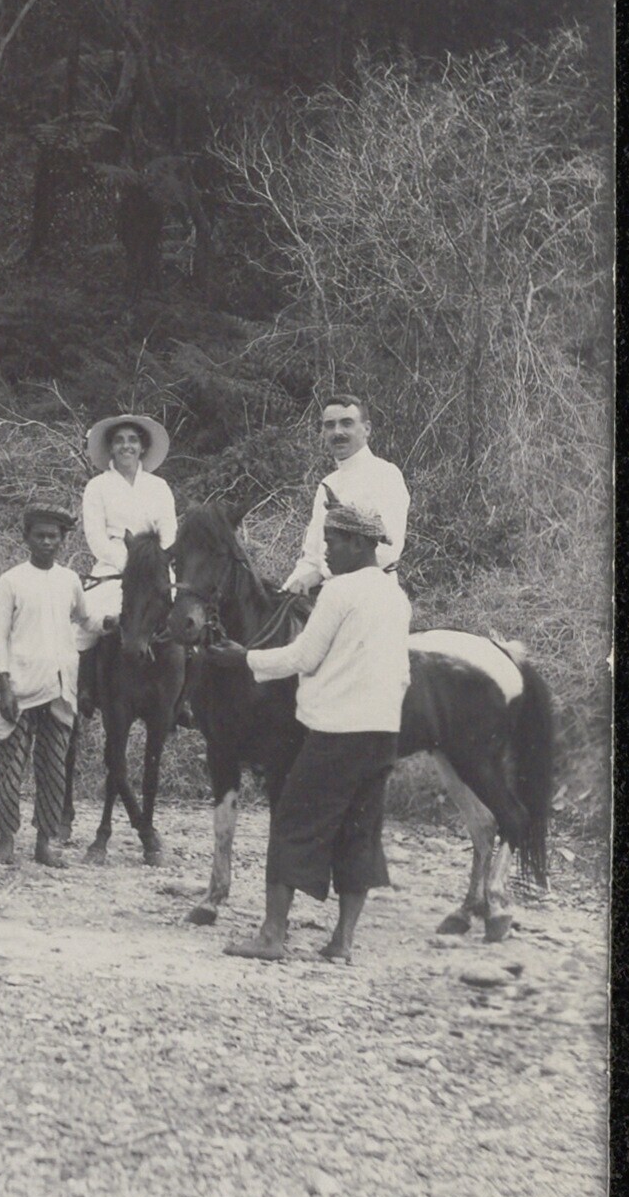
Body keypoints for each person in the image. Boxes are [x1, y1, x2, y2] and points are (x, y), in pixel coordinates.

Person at [205, 499, 412, 965]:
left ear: (358, 543)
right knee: (360, 832)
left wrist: (243, 658)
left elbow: (302, 657)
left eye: (332, 541)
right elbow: (399, 671)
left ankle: (272, 935)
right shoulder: (395, 597)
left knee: (293, 825)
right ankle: (342, 941)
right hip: (382, 732)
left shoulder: (338, 593)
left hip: (335, 730)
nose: (326, 552)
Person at [0, 503, 93, 870]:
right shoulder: (11, 581)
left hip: (60, 688)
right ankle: (6, 840)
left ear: (63, 540)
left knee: (53, 768)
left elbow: (85, 619)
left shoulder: (70, 580)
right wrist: (4, 687)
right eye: (40, 536)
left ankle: (44, 842)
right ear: (26, 538)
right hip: (20, 688)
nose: (47, 542)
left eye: (53, 536)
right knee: (12, 768)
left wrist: (111, 622)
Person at [77, 412, 177, 717]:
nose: (126, 446)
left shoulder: (159, 486)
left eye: (133, 440)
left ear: (143, 446)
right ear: (110, 447)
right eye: (119, 440)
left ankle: (182, 697)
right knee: (90, 617)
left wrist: (155, 564)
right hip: (113, 567)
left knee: (184, 617)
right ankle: (85, 687)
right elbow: (95, 537)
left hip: (156, 567)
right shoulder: (97, 487)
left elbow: (169, 531)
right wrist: (129, 565)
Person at [282, 392, 410, 595]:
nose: (337, 432)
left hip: (369, 593)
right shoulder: (328, 483)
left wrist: (321, 575)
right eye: (329, 425)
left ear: (366, 429)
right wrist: (287, 590)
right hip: (322, 593)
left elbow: (386, 551)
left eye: (346, 423)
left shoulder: (385, 475)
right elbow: (312, 556)